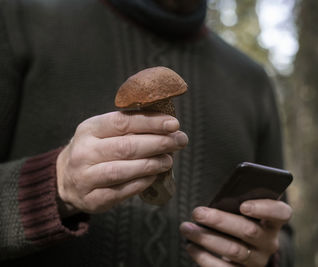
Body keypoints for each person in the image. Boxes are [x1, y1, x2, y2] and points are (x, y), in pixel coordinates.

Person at [0, 0, 294, 266]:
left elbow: (284, 233)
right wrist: (54, 185)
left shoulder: (252, 81)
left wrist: (267, 255)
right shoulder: (21, 22)